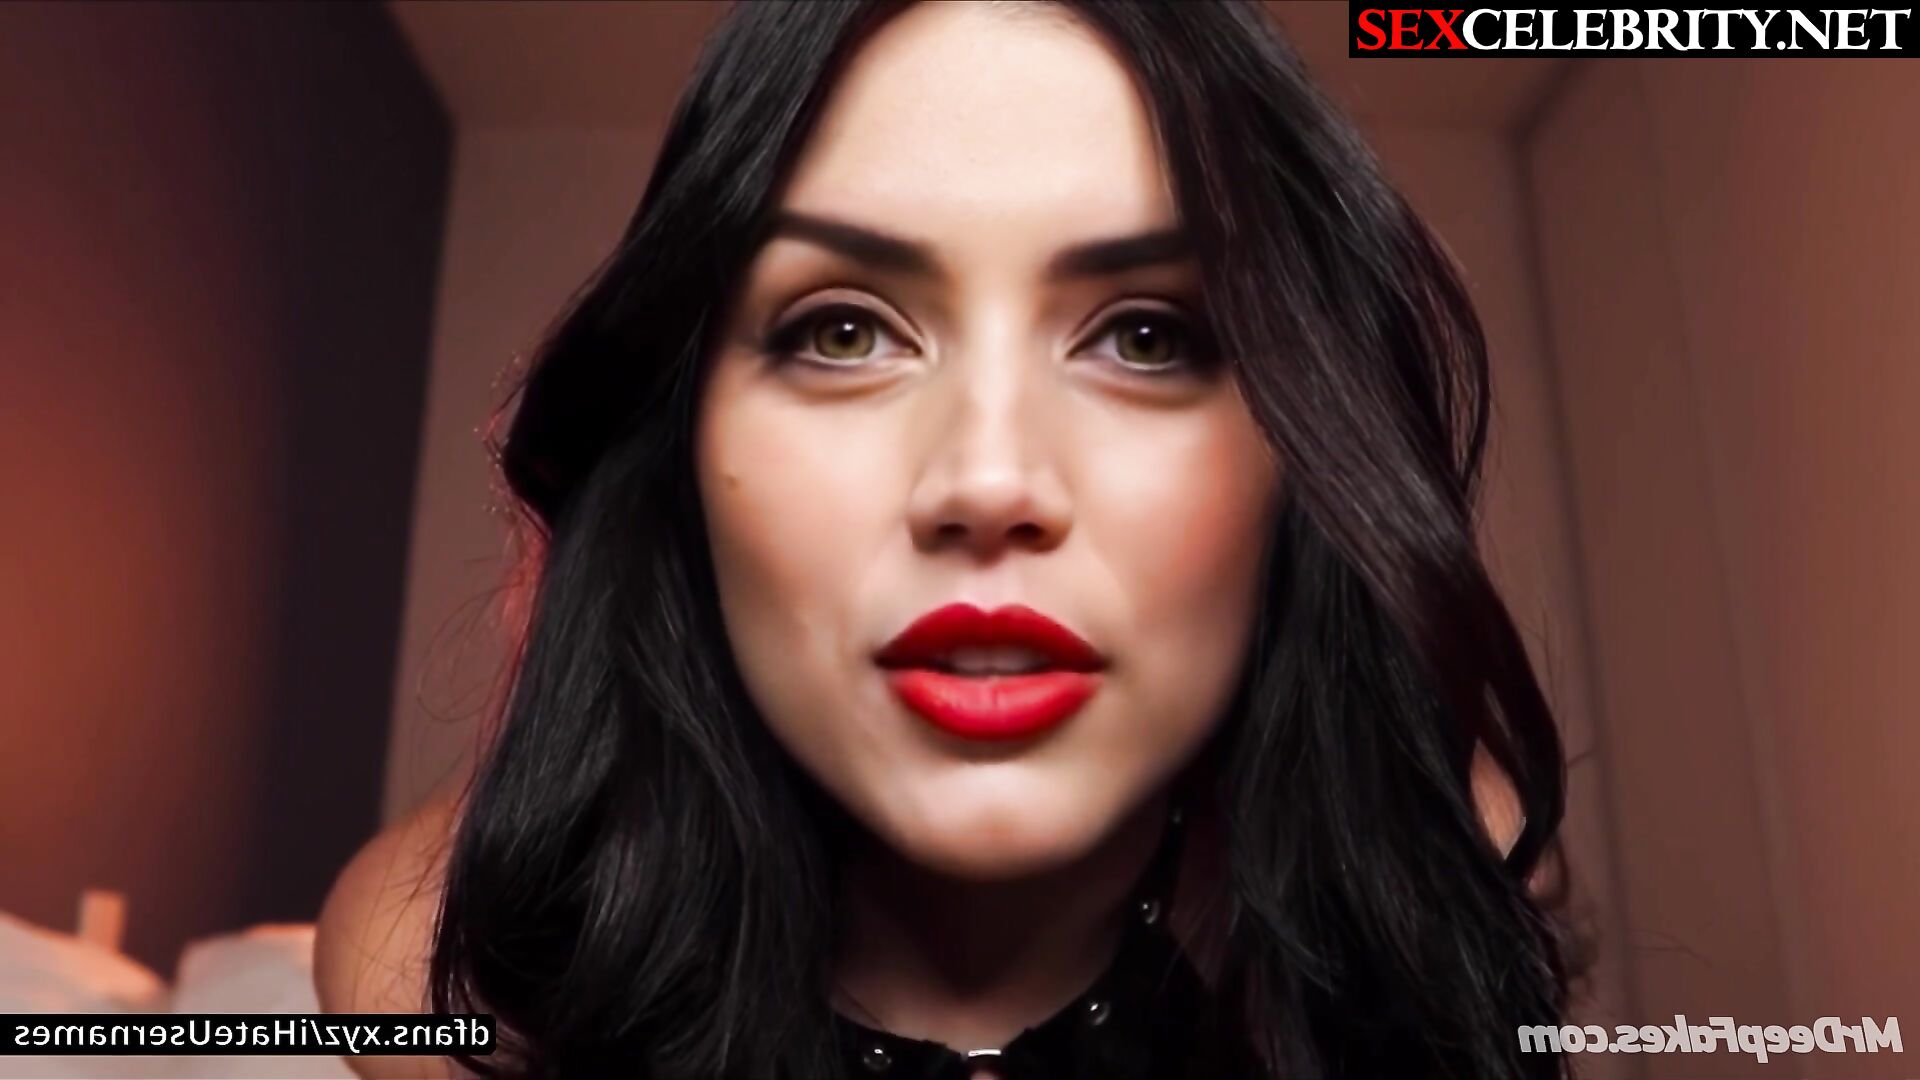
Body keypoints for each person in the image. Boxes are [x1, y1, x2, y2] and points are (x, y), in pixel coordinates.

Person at [318, 2, 1570, 1077]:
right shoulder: (436, 978)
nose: (987, 480)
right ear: (683, 447)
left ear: (1299, 452)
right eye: (845, 332)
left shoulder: (1441, 886)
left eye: (1145, 336)